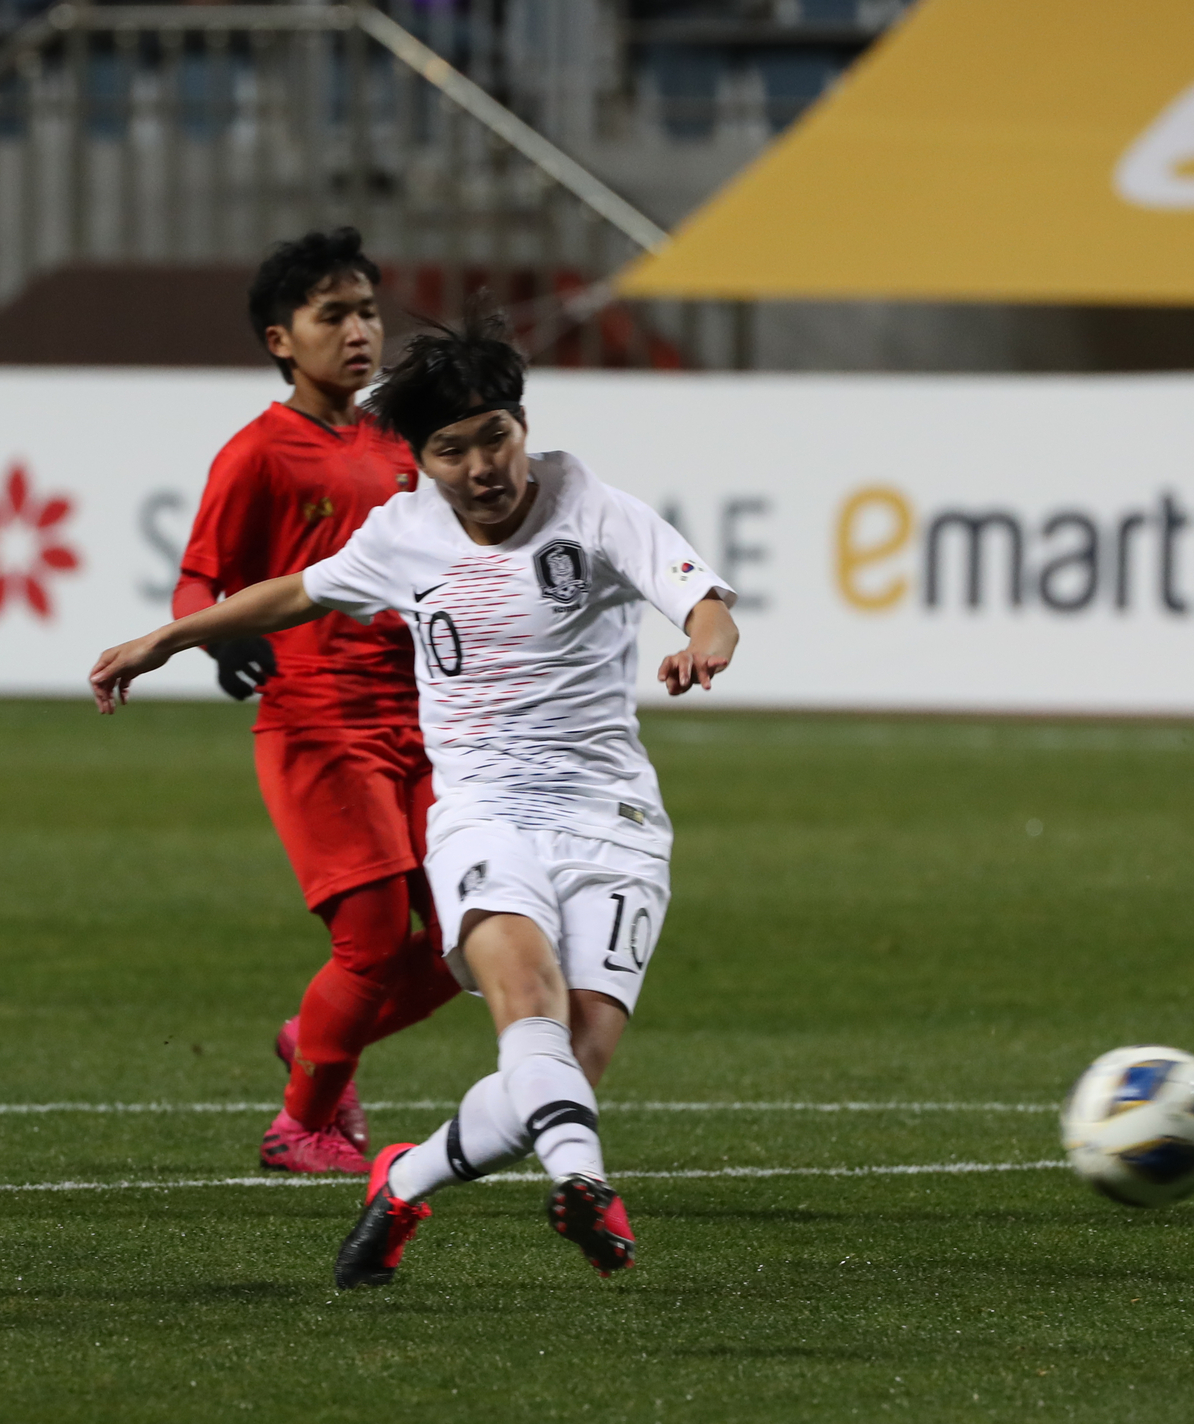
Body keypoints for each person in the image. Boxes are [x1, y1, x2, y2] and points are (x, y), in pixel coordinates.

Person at [90, 312, 739, 1284]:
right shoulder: (404, 534)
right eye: (452, 448)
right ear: (422, 460)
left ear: (521, 425)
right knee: (526, 1003)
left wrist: (701, 648)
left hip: (612, 817)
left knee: (573, 1060)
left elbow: (708, 603)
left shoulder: (591, 506)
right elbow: (294, 592)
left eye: (495, 436)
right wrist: (166, 637)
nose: (481, 463)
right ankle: (584, 1178)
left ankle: (402, 1178)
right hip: (482, 811)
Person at [175, 228, 458, 1175]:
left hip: (422, 720)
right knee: (373, 936)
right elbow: (196, 579)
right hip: (316, 720)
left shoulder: (403, 445)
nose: (357, 332)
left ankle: (320, 1039)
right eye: (330, 315)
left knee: (468, 936)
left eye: (368, 311)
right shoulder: (258, 454)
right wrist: (224, 636)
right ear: (279, 340)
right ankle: (300, 1126)